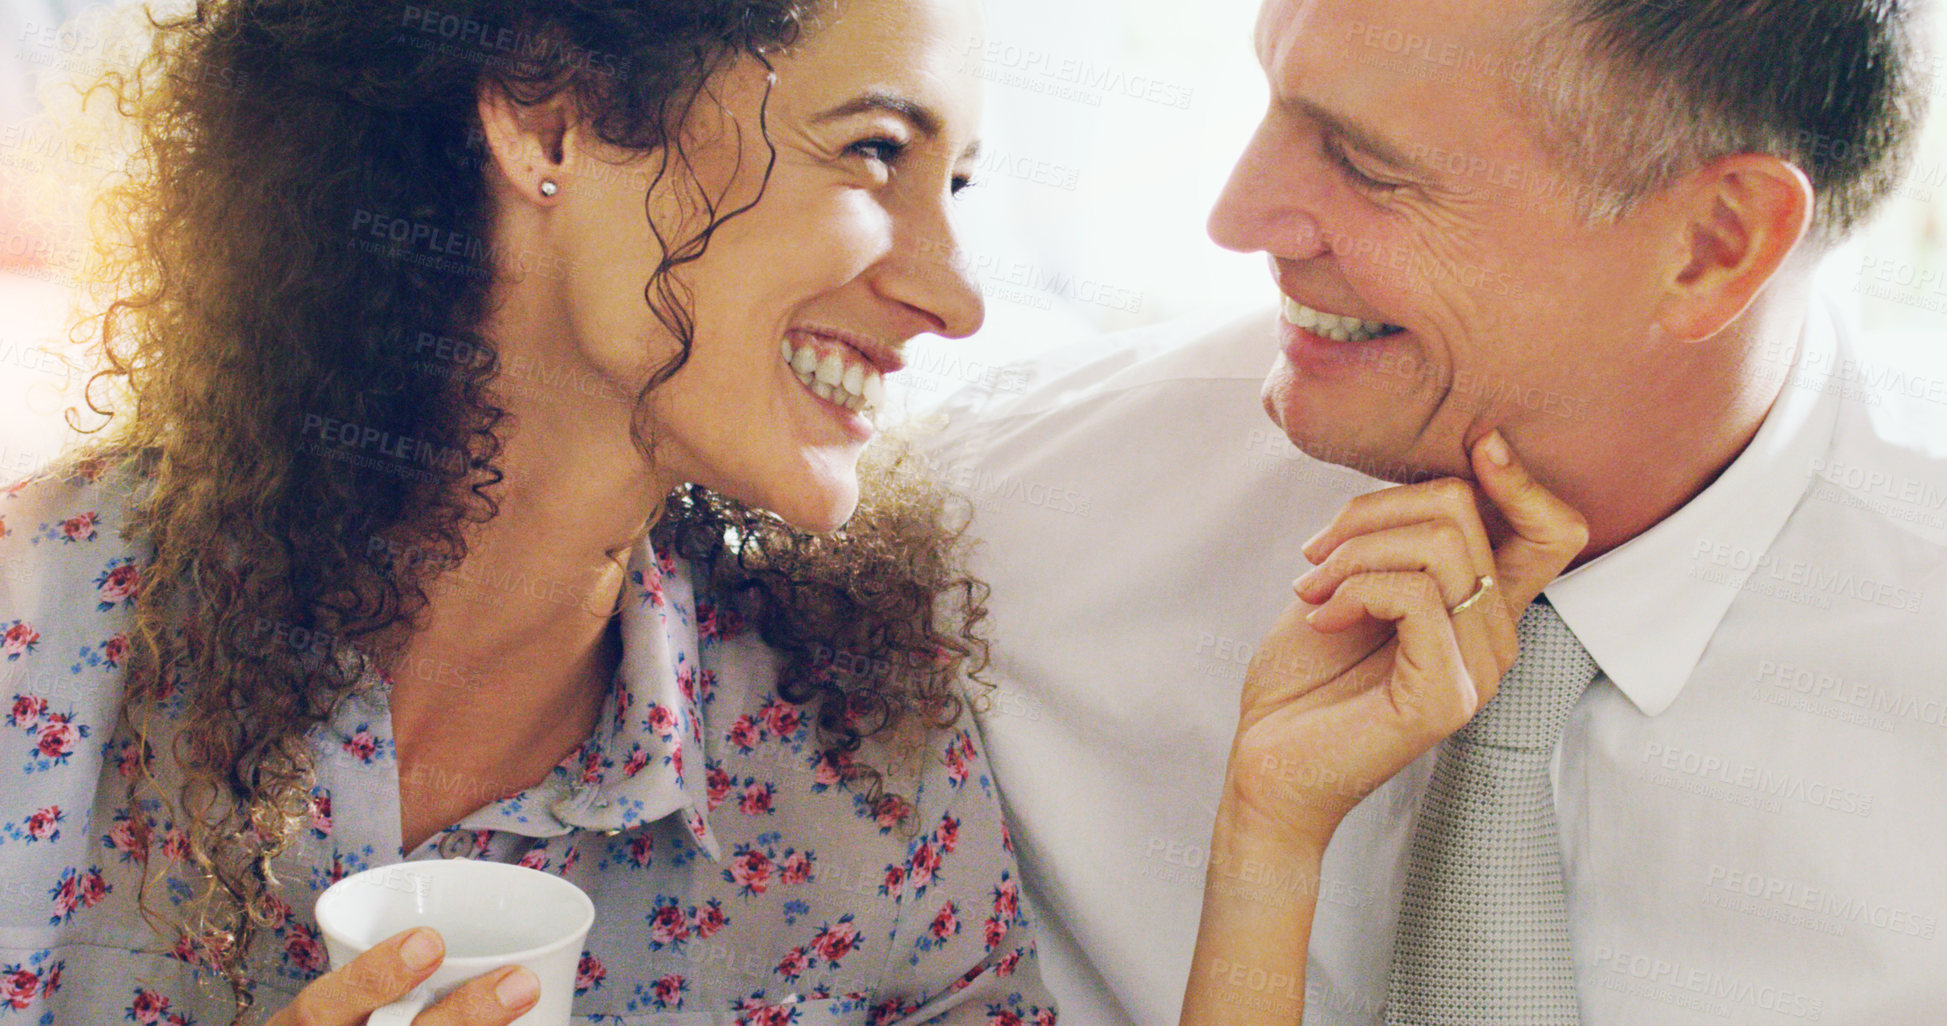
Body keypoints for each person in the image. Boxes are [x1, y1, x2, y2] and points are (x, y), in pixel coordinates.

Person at [0, 1, 1061, 1023]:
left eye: (955, 184)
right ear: (550, 118)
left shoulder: (868, 774)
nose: (957, 295)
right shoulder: (34, 642)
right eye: (874, 150)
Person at [920, 0, 1947, 1022]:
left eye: (1365, 165)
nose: (1235, 219)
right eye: (1273, 100)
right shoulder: (986, 537)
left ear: (1716, 244)